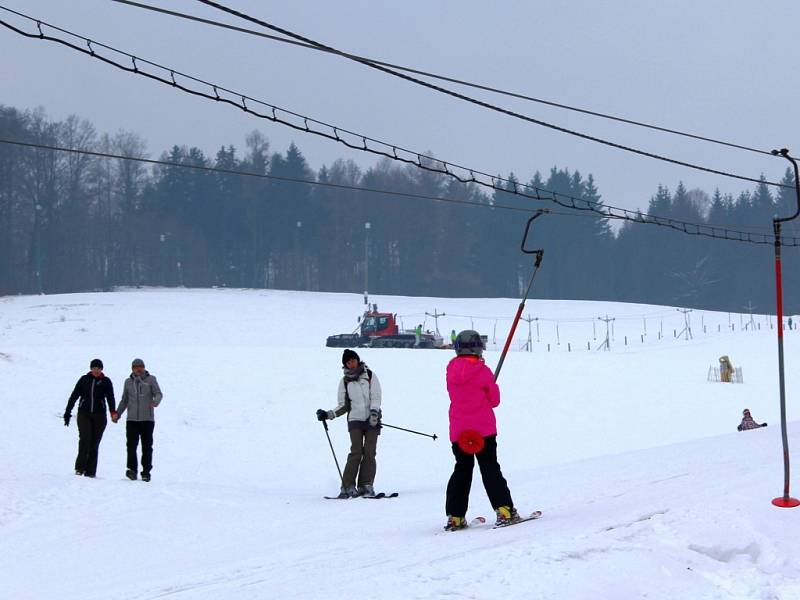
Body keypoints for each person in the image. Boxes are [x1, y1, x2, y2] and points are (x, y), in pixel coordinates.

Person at [444, 330, 518, 531]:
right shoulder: (483, 372)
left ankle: (455, 516)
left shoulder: (450, 371)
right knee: (489, 467)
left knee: (462, 470)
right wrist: (491, 385)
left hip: (459, 432)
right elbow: (495, 401)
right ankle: (504, 509)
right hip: (483, 430)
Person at [316, 349, 382, 498]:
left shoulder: (369, 375)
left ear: (357, 360)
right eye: (348, 362)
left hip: (373, 420)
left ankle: (366, 485)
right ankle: (347, 486)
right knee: (356, 452)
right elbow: (343, 405)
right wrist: (328, 414)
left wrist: (374, 412)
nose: (351, 364)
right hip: (355, 420)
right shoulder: (345, 381)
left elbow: (376, 396)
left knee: (370, 452)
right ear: (345, 364)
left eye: (353, 360)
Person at [63, 358, 117, 477]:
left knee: (94, 442)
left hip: (99, 415)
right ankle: (80, 468)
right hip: (84, 414)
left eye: (98, 368)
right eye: (94, 368)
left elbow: (110, 398)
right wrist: (68, 412)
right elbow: (74, 395)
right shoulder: (84, 380)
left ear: (101, 369)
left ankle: (90, 472)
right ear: (91, 369)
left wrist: (113, 412)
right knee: (84, 439)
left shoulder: (106, 381)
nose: (96, 370)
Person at [116, 358, 163, 482]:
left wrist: (155, 402)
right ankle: (132, 470)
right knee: (131, 446)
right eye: (136, 367)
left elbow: (158, 393)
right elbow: (124, 400)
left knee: (147, 446)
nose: (138, 369)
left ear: (144, 367)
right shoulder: (128, 382)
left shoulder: (151, 379)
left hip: (147, 419)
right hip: (132, 420)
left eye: (141, 366)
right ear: (132, 369)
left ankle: (146, 472)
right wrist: (118, 414)